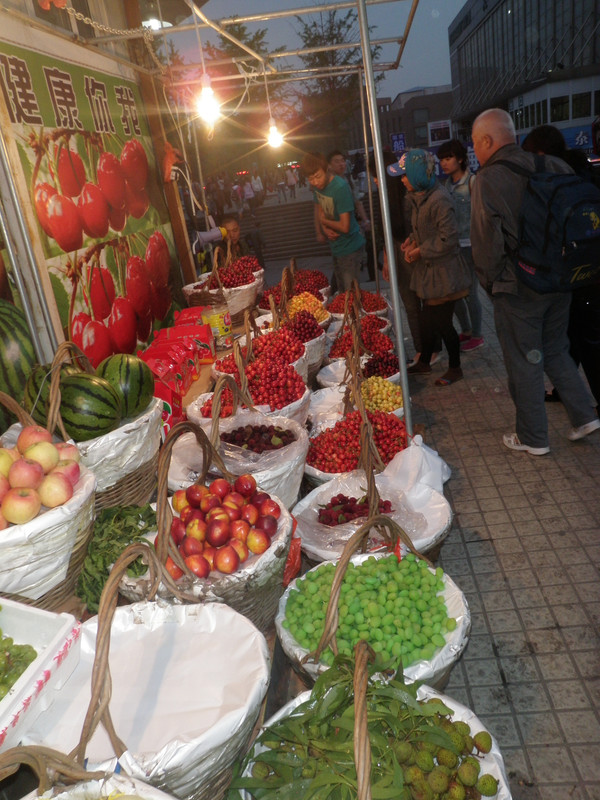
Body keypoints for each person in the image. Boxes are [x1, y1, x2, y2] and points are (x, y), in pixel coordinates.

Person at [470, 108, 599, 454]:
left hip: (519, 286)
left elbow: (486, 244)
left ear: (486, 140)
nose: (476, 152)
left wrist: (491, 284)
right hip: (563, 278)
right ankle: (585, 415)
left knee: (525, 358)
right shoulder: (554, 165)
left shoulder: (488, 178)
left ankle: (532, 438)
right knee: (556, 348)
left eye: (475, 144)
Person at [521, 124, 600, 411]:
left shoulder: (556, 179)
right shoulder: (582, 171)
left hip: (575, 272)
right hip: (591, 267)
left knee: (588, 339)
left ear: (541, 153)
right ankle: (565, 389)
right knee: (573, 336)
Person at [388, 149, 471, 386]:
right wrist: (411, 240)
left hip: (445, 273)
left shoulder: (440, 199)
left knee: (443, 324)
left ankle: (455, 368)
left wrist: (419, 250)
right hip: (429, 272)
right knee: (426, 321)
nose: (402, 180)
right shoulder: (419, 197)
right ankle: (424, 361)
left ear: (416, 174)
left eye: (405, 175)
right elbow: (422, 229)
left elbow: (448, 238)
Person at [437, 139, 485, 352]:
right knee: (455, 293)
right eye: (441, 160)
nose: (444, 163)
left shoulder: (473, 182)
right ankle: (465, 330)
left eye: (448, 158)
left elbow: (482, 215)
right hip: (453, 247)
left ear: (461, 159)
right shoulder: (446, 185)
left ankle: (477, 334)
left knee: (470, 292)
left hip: (471, 245)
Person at [302, 151, 366, 293]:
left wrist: (324, 221)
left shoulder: (340, 187)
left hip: (350, 247)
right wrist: (324, 229)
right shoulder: (317, 188)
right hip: (336, 247)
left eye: (318, 176)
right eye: (310, 179)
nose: (315, 182)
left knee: (351, 294)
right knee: (343, 292)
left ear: (326, 169)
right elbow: (319, 210)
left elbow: (344, 226)